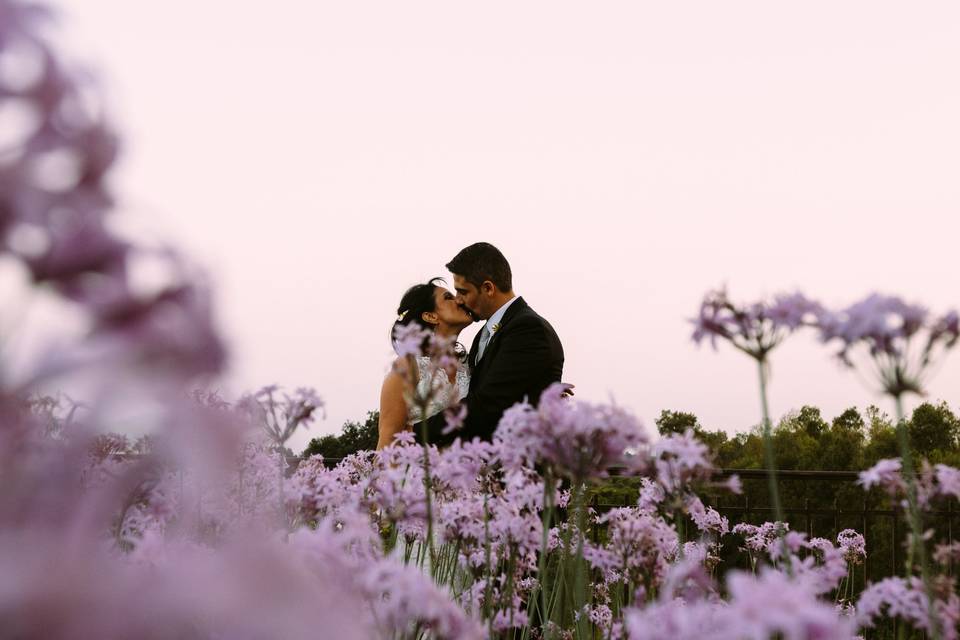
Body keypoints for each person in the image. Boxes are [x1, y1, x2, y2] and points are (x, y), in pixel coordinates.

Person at [415, 242, 565, 446]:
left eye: (463, 292)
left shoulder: (529, 329)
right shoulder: (484, 335)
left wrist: (415, 433)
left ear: (488, 288)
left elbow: (487, 404)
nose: (458, 300)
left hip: (523, 470)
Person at [377, 278, 473, 449]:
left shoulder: (471, 364)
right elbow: (387, 445)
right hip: (422, 473)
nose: (459, 300)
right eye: (448, 297)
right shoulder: (407, 367)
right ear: (430, 316)